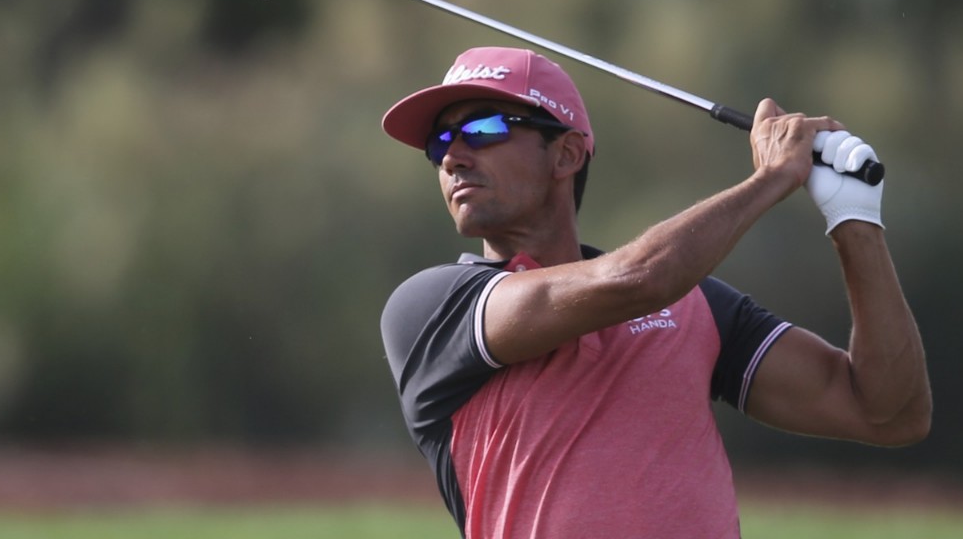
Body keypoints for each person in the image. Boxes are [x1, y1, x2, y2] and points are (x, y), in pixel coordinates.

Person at [378, 46, 931, 538]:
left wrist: (853, 219)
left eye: (481, 131)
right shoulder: (430, 308)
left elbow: (889, 413)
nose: (453, 156)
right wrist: (769, 181)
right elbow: (635, 282)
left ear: (567, 155)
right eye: (439, 142)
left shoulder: (695, 305)